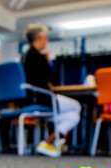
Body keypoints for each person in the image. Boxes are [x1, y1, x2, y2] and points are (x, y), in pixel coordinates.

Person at [22, 23, 81, 157]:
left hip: (30, 99)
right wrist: (48, 60)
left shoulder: (25, 56)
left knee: (73, 116)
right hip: (43, 98)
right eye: (46, 38)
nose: (46, 41)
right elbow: (53, 78)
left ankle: (52, 142)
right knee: (77, 106)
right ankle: (53, 141)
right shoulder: (38, 56)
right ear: (40, 37)